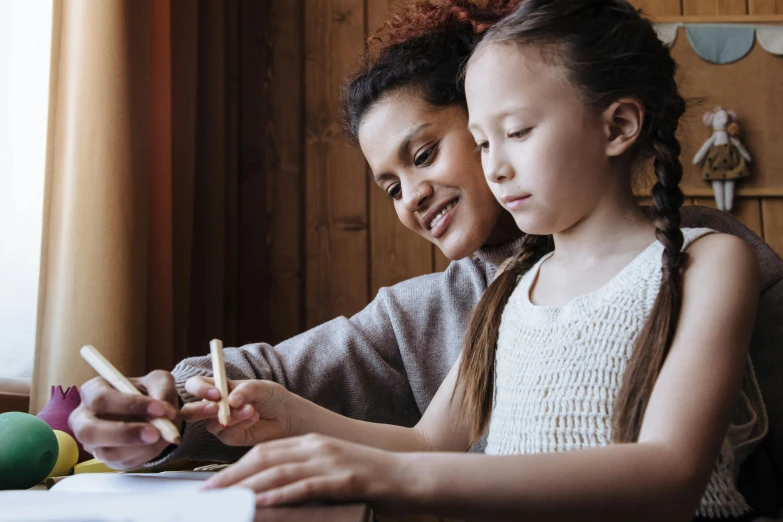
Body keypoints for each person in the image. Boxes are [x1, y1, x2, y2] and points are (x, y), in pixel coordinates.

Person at [67, 2, 780, 507]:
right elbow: (429, 440)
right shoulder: (506, 291)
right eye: (387, 185)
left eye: (515, 132)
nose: (494, 165)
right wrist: (263, 408)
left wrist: (386, 477)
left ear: (618, 124)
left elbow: (669, 474)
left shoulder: (707, 260)